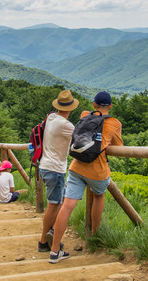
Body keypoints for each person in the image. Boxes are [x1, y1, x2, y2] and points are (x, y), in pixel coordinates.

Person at [49, 91, 122, 263]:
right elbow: (118, 145)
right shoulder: (114, 122)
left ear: (94, 105)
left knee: (67, 206)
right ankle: (94, 236)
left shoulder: (84, 115)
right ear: (110, 106)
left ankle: (54, 250)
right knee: (99, 196)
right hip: (98, 171)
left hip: (76, 167)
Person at [37, 90, 79, 253]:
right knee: (54, 205)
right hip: (55, 169)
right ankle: (43, 241)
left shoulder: (52, 117)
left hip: (46, 165)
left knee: (59, 202)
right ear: (71, 107)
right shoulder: (66, 125)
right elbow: (81, 139)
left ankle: (51, 233)